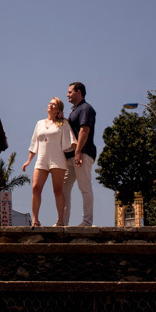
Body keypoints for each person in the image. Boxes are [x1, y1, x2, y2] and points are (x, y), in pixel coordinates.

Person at [21, 97, 76, 227]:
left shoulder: (63, 123)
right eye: (50, 103)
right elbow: (34, 143)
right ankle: (35, 220)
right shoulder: (39, 123)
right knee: (36, 188)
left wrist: (78, 154)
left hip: (57, 159)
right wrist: (29, 160)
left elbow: (72, 141)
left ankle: (60, 220)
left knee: (58, 190)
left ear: (59, 109)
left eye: (54, 104)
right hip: (41, 159)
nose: (50, 105)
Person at [63, 81, 97, 226]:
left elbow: (84, 130)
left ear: (78, 92)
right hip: (70, 156)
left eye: (70, 92)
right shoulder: (74, 111)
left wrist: (78, 152)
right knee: (64, 188)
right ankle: (62, 222)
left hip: (82, 153)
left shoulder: (86, 109)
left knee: (85, 187)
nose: (67, 95)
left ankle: (87, 222)